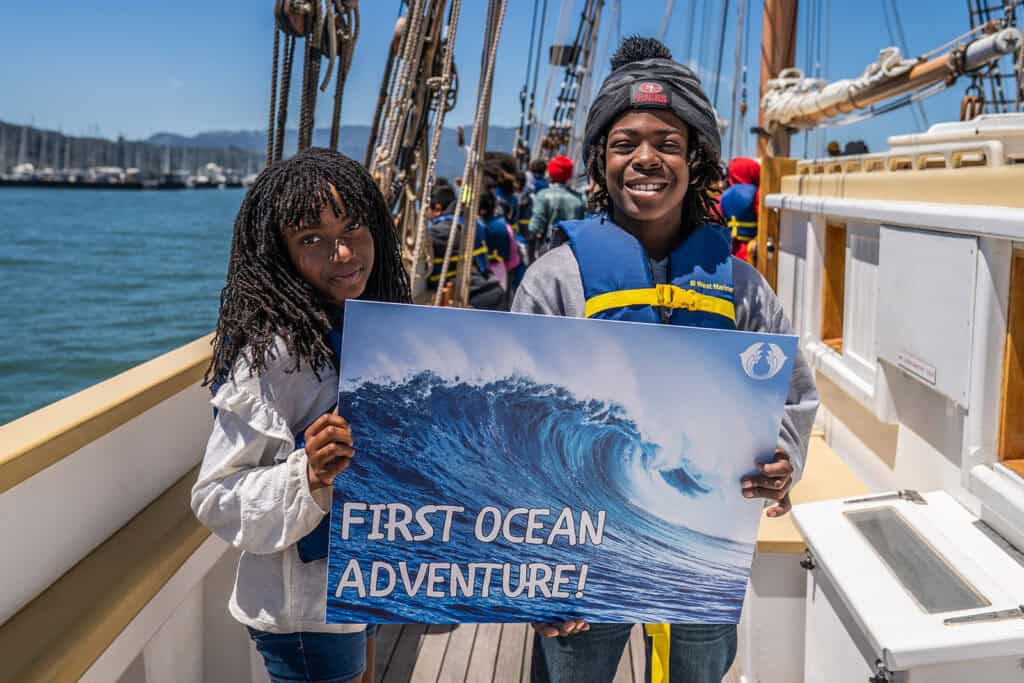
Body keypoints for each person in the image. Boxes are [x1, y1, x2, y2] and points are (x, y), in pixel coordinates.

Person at [512, 37, 819, 683]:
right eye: (624, 143)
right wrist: (529, 560)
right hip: (581, 551)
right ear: (600, 158)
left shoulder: (740, 286)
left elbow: (791, 392)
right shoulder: (553, 281)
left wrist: (784, 458)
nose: (645, 158)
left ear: (696, 159)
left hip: (701, 546)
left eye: (668, 143)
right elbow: (513, 422)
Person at [192, 148, 412, 683]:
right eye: (311, 239)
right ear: (278, 253)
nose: (342, 252)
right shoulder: (272, 357)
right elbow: (216, 498)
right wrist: (309, 476)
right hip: (306, 618)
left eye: (354, 227)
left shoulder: (372, 329)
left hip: (366, 580)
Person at [426, 182, 506, 310]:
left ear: (437, 208)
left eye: (427, 210)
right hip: (489, 286)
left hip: (477, 297)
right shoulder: (473, 224)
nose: (426, 215)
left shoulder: (441, 231)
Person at [527, 155, 588, 258]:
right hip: (571, 252)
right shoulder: (580, 198)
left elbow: (535, 227)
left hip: (547, 249)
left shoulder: (543, 195)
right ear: (569, 174)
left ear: (551, 173)